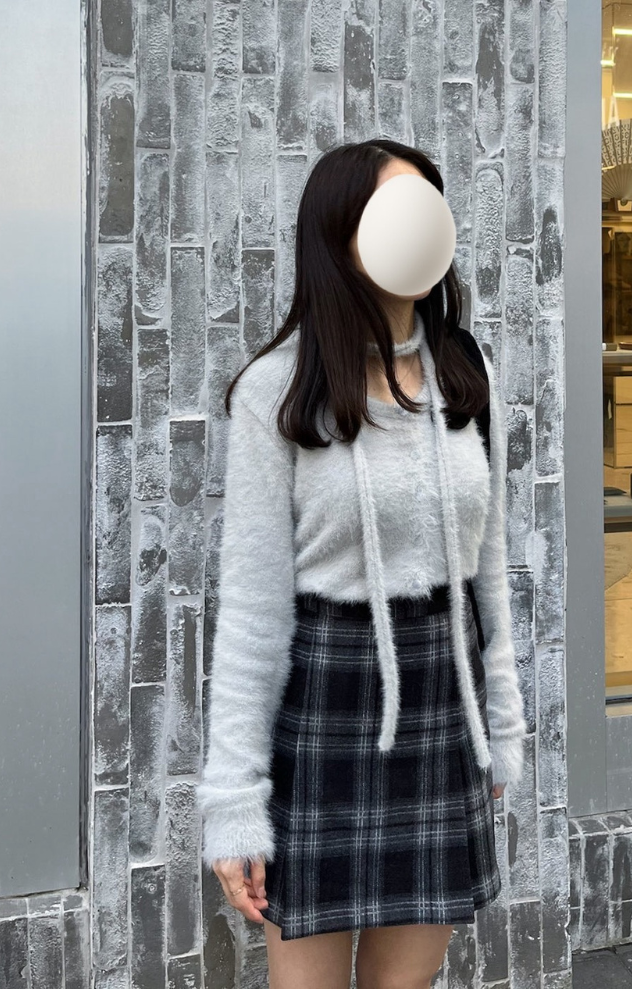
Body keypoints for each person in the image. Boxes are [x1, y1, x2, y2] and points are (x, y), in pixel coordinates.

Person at [197, 140, 528, 983]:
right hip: (325, 704)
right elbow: (253, 610)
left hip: (440, 700)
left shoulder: (466, 372)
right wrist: (233, 801)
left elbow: (487, 571)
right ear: (339, 230)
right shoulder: (278, 390)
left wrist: (502, 721)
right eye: (395, 208)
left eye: (428, 206)